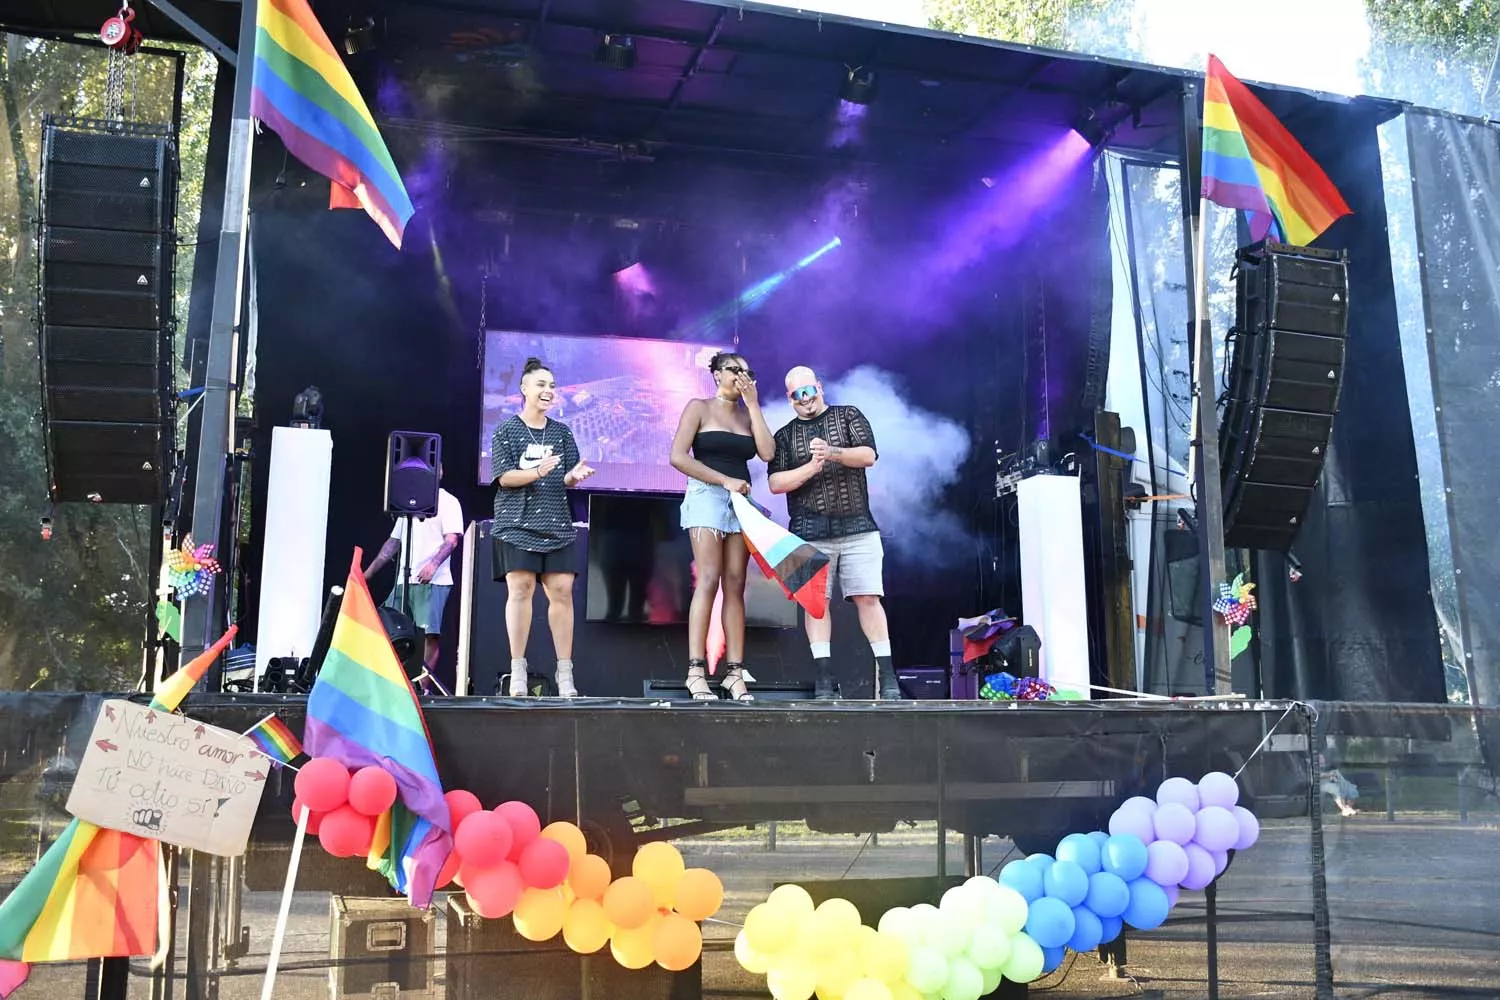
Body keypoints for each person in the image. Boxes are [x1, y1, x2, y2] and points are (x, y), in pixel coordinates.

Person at [768, 366, 897, 701]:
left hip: (858, 527)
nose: (805, 399)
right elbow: (775, 483)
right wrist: (811, 467)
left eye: (808, 390)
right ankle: (824, 680)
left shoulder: (848, 415)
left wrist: (832, 452)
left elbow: (868, 455)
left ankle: (888, 678)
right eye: (797, 394)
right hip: (807, 533)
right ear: (789, 399)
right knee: (816, 606)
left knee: (869, 598)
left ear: (819, 387)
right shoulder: (784, 436)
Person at [669, 351, 775, 701]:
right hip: (707, 495)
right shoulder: (698, 407)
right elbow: (678, 456)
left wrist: (753, 404)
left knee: (735, 583)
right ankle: (695, 671)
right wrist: (723, 479)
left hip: (740, 501)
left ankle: (734, 673)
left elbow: (767, 453)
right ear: (716, 374)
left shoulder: (747, 413)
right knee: (708, 579)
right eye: (734, 370)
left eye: (747, 371)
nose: (741, 376)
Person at [491, 357, 596, 697]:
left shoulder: (562, 432)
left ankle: (565, 673)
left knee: (562, 592)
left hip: (556, 523)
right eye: (541, 384)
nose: (548, 390)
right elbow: (504, 477)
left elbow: (565, 477)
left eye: (552, 385)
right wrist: (537, 471)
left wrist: (574, 477)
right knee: (521, 589)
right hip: (516, 522)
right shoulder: (506, 430)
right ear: (524, 389)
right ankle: (517, 670)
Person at [362, 466, 464, 694]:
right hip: (404, 579)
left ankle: (419, 688)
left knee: (427, 636)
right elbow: (393, 543)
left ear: (440, 472)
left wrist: (433, 565)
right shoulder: (407, 503)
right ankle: (392, 683)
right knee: (389, 629)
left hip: (433, 580)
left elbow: (452, 540)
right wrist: (367, 574)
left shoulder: (448, 502)